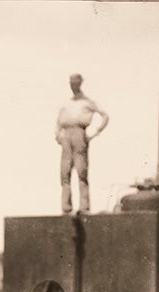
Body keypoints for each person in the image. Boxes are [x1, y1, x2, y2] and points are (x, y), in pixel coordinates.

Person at [56, 73, 109, 214]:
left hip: (80, 133)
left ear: (80, 84)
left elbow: (104, 115)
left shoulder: (87, 102)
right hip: (66, 136)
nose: (73, 86)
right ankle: (66, 208)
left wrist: (95, 132)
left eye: (75, 83)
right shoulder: (67, 103)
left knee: (81, 171)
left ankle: (84, 207)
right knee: (65, 172)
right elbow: (58, 122)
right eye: (71, 83)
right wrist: (58, 135)